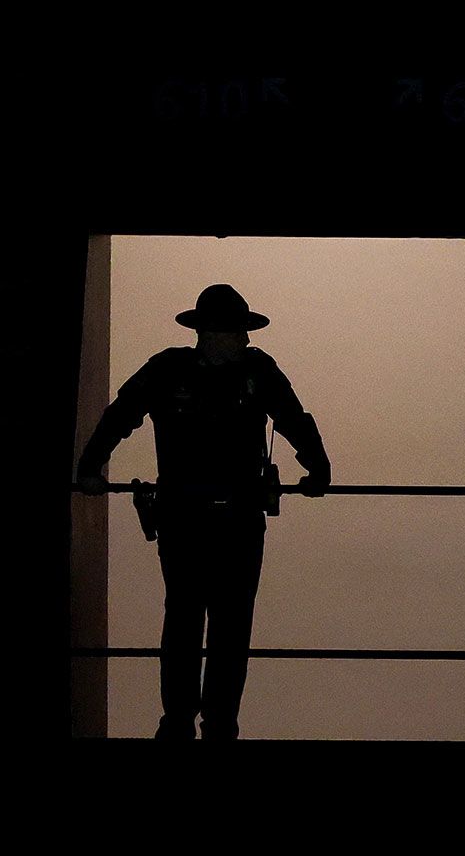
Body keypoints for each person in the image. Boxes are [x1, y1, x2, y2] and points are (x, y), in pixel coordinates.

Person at [76, 284, 333, 740]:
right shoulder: (249, 371)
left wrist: (91, 468)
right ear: (216, 333)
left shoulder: (175, 370)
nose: (245, 340)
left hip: (195, 517)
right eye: (238, 331)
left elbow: (294, 418)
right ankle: (202, 724)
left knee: (195, 622)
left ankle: (190, 724)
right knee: (210, 624)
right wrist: (316, 472)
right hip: (215, 519)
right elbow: (293, 418)